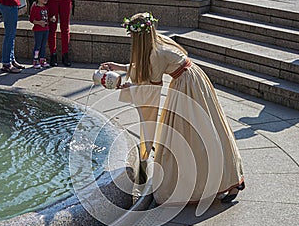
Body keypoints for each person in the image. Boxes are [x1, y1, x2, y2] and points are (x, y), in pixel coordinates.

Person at [101, 12, 245, 205]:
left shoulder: (154, 53)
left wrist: (127, 87)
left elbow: (151, 86)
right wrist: (119, 67)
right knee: (207, 128)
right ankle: (227, 178)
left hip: (186, 85)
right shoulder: (159, 41)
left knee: (190, 134)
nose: (131, 39)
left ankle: (210, 183)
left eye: (132, 35)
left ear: (138, 36)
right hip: (192, 79)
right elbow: (142, 67)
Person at [29, 0, 54, 69]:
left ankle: (42, 59)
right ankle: (35, 60)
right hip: (38, 30)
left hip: (46, 29)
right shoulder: (35, 7)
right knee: (38, 46)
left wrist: (51, 19)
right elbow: (31, 19)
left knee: (43, 45)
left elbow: (47, 17)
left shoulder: (46, 8)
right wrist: (39, 22)